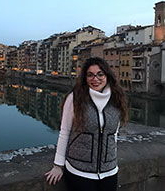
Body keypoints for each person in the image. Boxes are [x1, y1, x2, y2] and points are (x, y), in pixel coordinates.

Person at [45, 57, 128, 191]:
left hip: (110, 172)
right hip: (79, 171)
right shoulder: (75, 98)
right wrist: (58, 165)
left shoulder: (116, 98)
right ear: (85, 78)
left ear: (107, 75)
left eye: (100, 74)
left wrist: (111, 159)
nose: (95, 79)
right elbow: (65, 131)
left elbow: (114, 134)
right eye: (90, 75)